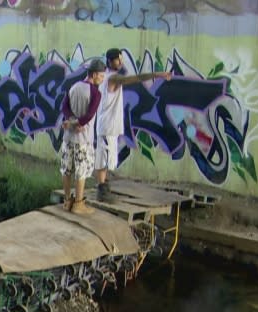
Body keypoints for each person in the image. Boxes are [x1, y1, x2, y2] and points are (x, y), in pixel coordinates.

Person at [95, 48, 173, 202]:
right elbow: (136, 78)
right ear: (111, 61)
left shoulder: (108, 77)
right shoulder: (112, 78)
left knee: (107, 158)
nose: (121, 62)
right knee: (103, 159)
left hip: (109, 126)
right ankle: (101, 190)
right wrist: (157, 74)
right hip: (107, 126)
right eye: (119, 59)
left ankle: (104, 187)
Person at [59, 59, 106, 215]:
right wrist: (78, 123)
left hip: (68, 138)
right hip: (83, 139)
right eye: (101, 75)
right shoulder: (96, 93)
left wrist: (71, 121)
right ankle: (79, 203)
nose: (103, 78)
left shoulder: (74, 86)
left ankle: (67, 201)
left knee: (66, 169)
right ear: (94, 75)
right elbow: (90, 114)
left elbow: (64, 107)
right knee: (82, 170)